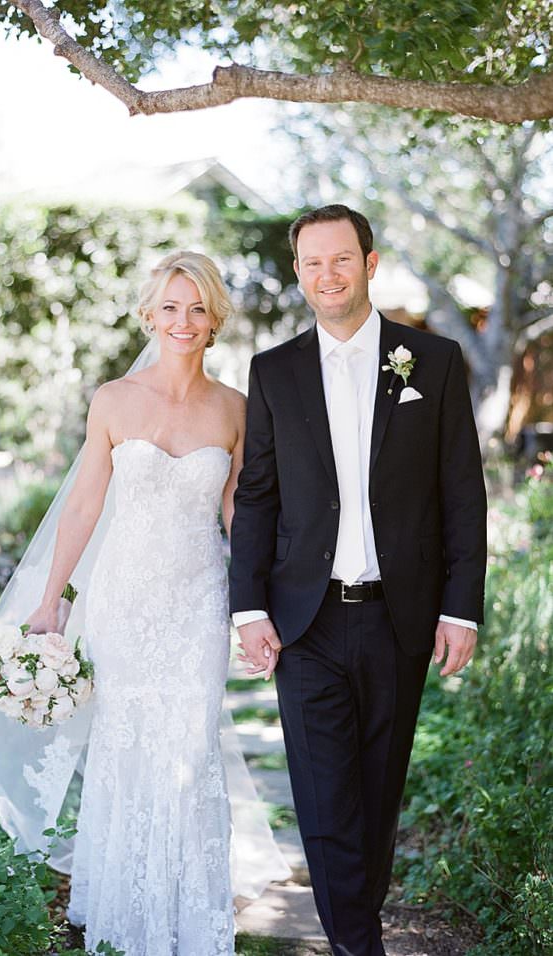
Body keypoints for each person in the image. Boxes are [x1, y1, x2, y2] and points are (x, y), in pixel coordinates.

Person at [0, 250, 289, 956]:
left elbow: (240, 517)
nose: (183, 320)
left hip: (196, 603)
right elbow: (82, 506)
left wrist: (253, 609)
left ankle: (188, 915)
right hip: (122, 603)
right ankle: (119, 913)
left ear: (215, 320)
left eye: (198, 308)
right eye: (170, 306)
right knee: (123, 749)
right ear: (149, 314)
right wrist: (52, 603)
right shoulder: (112, 400)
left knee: (189, 746)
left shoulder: (235, 409)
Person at [229, 205, 487, 956]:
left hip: (397, 617)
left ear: (370, 264)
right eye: (311, 263)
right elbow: (257, 497)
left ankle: (357, 922)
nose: (325, 275)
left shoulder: (429, 363)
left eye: (340, 260)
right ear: (299, 272)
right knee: (323, 797)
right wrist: (248, 606)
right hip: (304, 621)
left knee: (377, 794)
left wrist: (460, 609)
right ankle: (356, 943)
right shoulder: (272, 371)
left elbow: (461, 493)